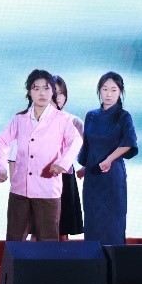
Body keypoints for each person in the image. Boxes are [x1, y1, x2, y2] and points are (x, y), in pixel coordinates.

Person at [0, 70, 82, 241]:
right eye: (36, 88)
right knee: (14, 239)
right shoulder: (19, 119)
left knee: (48, 240)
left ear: (52, 92)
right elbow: (2, 141)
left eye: (46, 88)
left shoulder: (62, 119)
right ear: (29, 92)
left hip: (47, 190)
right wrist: (0, 169)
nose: (41, 93)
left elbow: (75, 140)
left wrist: (61, 164)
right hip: (20, 190)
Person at [78, 72, 138, 246]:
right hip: (93, 178)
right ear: (99, 91)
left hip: (112, 176)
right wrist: (85, 167)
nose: (109, 94)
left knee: (113, 223)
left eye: (113, 90)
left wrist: (109, 159)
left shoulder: (123, 116)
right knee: (92, 221)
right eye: (105, 89)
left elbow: (129, 142)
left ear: (120, 92)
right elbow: (87, 144)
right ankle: (94, 262)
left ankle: (114, 262)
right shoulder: (91, 116)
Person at [53, 76, 84, 240]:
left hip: (65, 175)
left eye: (60, 93)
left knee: (63, 229)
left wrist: (85, 167)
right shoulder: (35, 119)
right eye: (53, 93)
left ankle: (65, 256)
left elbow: (89, 145)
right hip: (41, 177)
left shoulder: (73, 120)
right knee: (38, 228)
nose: (57, 97)